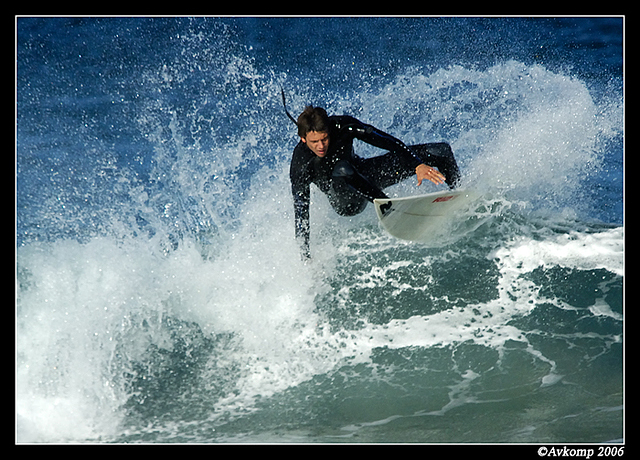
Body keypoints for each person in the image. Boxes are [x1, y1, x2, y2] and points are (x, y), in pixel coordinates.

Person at [289, 105, 461, 260]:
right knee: (343, 170)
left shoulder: (342, 126)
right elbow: (301, 212)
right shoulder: (300, 164)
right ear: (303, 139)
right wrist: (305, 257)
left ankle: (460, 194)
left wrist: (417, 165)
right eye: (314, 142)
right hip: (345, 200)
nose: (321, 146)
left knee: (440, 151)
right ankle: (390, 207)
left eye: (324, 139)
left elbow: (386, 141)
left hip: (364, 177)